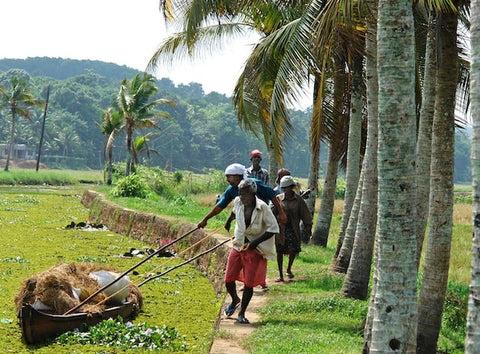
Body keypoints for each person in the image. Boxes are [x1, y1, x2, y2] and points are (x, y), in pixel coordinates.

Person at [222, 179, 279, 324]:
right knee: (228, 279)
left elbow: (273, 228)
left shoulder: (263, 207)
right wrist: (229, 221)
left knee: (249, 283)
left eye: (245, 195)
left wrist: (254, 243)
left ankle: (242, 313)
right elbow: (234, 212)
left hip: (254, 249)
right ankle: (235, 300)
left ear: (253, 194)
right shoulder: (237, 202)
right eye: (241, 194)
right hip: (238, 245)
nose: (243, 198)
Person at [198, 163, 287, 228]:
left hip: (260, 218)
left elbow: (272, 195)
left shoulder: (254, 184)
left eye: (229, 177)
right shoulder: (231, 189)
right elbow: (219, 206)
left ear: (237, 176)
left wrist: (281, 213)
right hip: (244, 220)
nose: (227, 180)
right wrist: (205, 219)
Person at [273, 175, 312, 282]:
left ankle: (289, 269)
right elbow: (272, 213)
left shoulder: (299, 200)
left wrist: (308, 226)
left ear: (291, 187)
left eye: (286, 188)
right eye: (283, 188)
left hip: (293, 228)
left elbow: (305, 214)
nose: (284, 190)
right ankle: (280, 275)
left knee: (293, 249)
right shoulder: (278, 199)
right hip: (281, 229)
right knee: (279, 251)